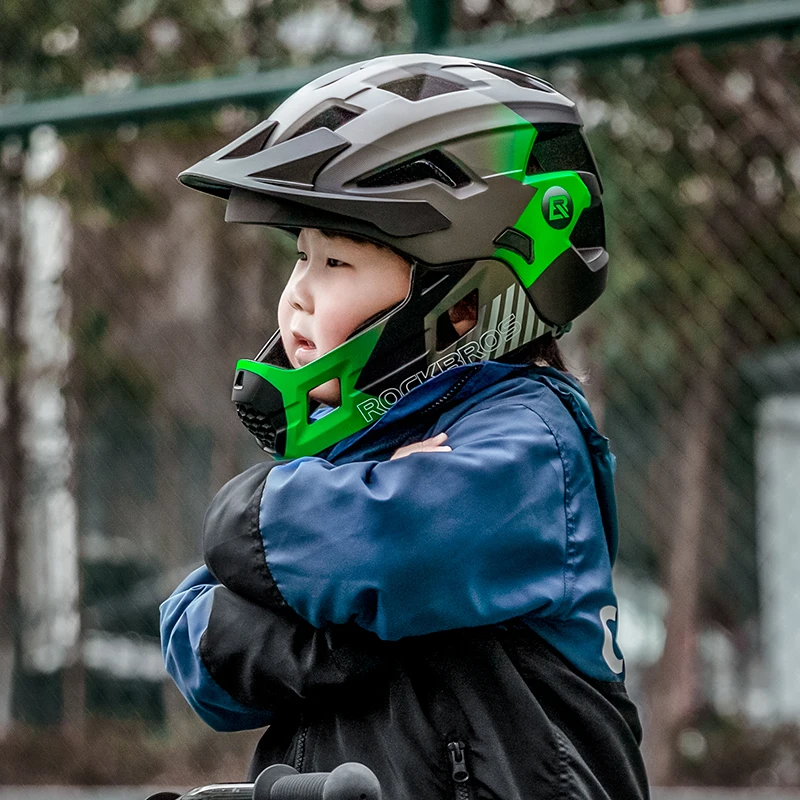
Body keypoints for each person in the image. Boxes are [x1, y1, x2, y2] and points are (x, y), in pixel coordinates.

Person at [160, 54, 650, 800]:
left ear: (463, 303)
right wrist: (343, 628)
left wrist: (249, 515)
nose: (296, 297)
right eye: (300, 256)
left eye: (335, 261)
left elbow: (389, 544)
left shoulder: (531, 444)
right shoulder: (358, 449)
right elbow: (194, 642)